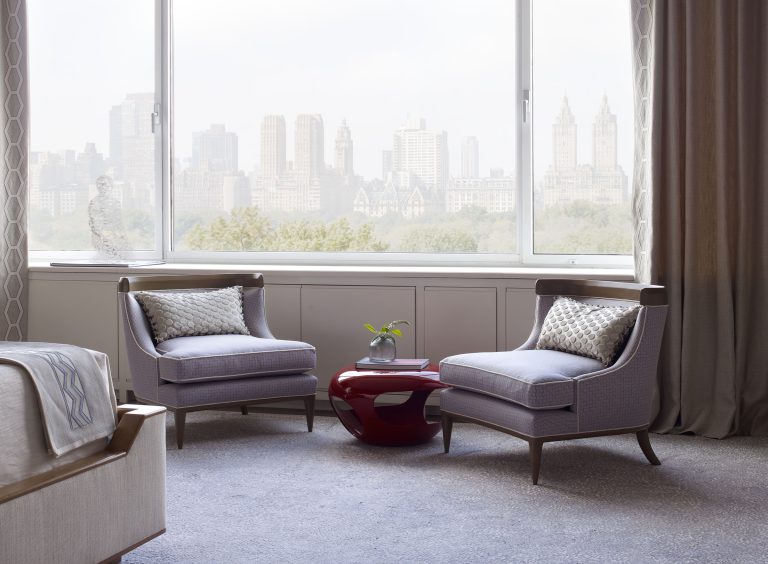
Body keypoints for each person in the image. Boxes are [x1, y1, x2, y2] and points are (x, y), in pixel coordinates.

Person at [88, 175, 128, 259]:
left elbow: (119, 222)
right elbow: (95, 224)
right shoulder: (94, 202)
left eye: (103, 184)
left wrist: (121, 236)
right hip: (101, 238)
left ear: (111, 186)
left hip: (114, 238)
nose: (100, 187)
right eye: (98, 184)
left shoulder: (115, 202)